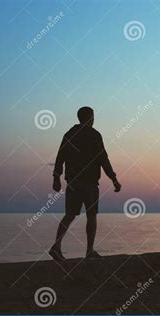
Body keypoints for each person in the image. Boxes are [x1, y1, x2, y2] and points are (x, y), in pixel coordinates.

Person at [49, 106, 121, 261]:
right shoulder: (94, 135)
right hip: (89, 182)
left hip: (73, 181)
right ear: (90, 118)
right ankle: (89, 251)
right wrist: (113, 179)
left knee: (69, 215)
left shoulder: (69, 134)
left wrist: (56, 177)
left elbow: (60, 157)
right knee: (91, 215)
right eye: (93, 117)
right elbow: (103, 159)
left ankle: (56, 246)